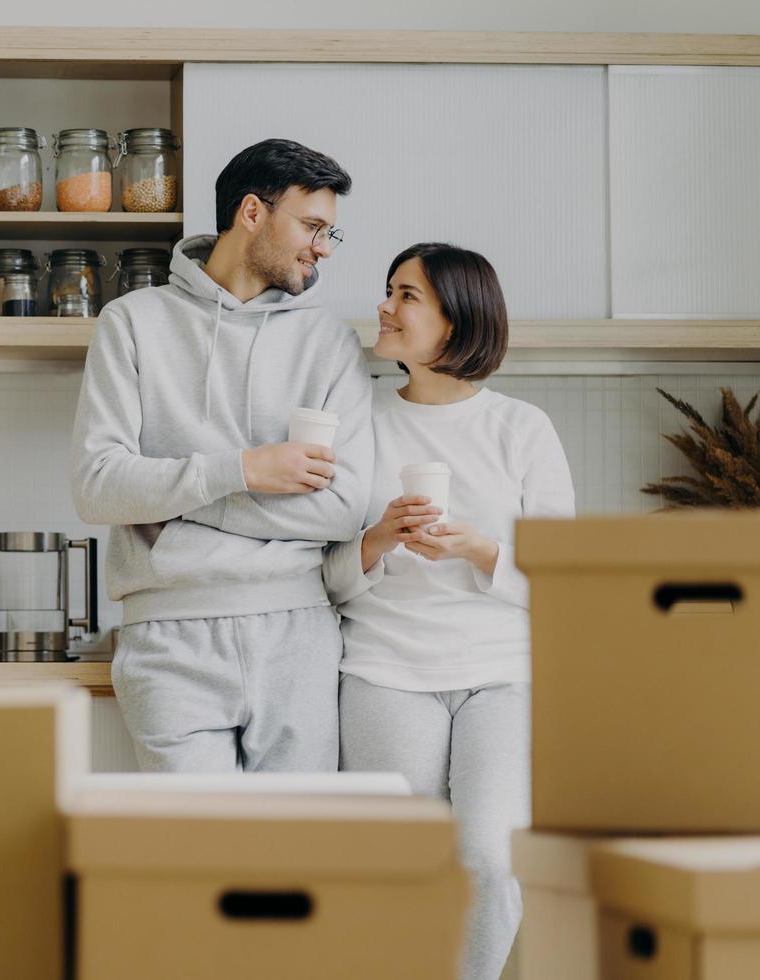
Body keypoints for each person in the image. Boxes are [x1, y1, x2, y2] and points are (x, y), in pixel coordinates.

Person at [71, 138, 373, 772]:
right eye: (313, 227)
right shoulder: (131, 322)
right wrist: (248, 469)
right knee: (192, 859)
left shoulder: (329, 343)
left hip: (298, 631)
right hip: (167, 639)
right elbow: (98, 488)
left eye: (329, 234)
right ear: (254, 213)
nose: (323, 248)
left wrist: (175, 501)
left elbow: (343, 511)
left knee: (293, 860)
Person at [325, 243, 576, 980]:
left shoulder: (520, 428)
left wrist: (478, 549)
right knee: (405, 866)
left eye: (407, 295)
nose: (384, 306)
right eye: (389, 290)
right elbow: (326, 580)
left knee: (489, 860)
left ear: (455, 321)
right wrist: (374, 541)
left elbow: (563, 581)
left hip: (500, 674)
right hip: (383, 670)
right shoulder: (358, 423)